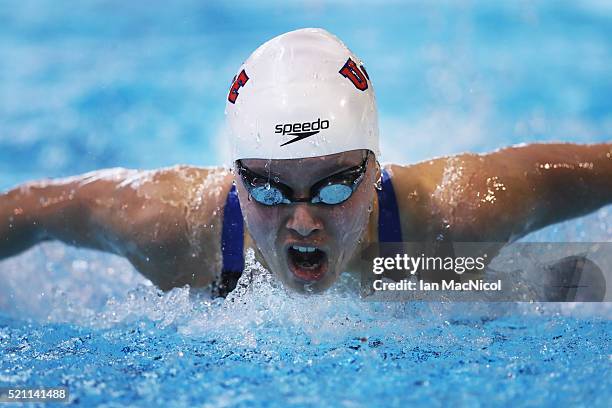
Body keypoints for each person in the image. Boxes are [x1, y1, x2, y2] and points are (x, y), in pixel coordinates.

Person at [1, 28, 611, 297]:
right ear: (235, 180)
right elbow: (35, 209)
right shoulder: (168, 227)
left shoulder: (459, 209)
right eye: (267, 190)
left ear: (376, 170)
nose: (301, 221)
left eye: (333, 185)